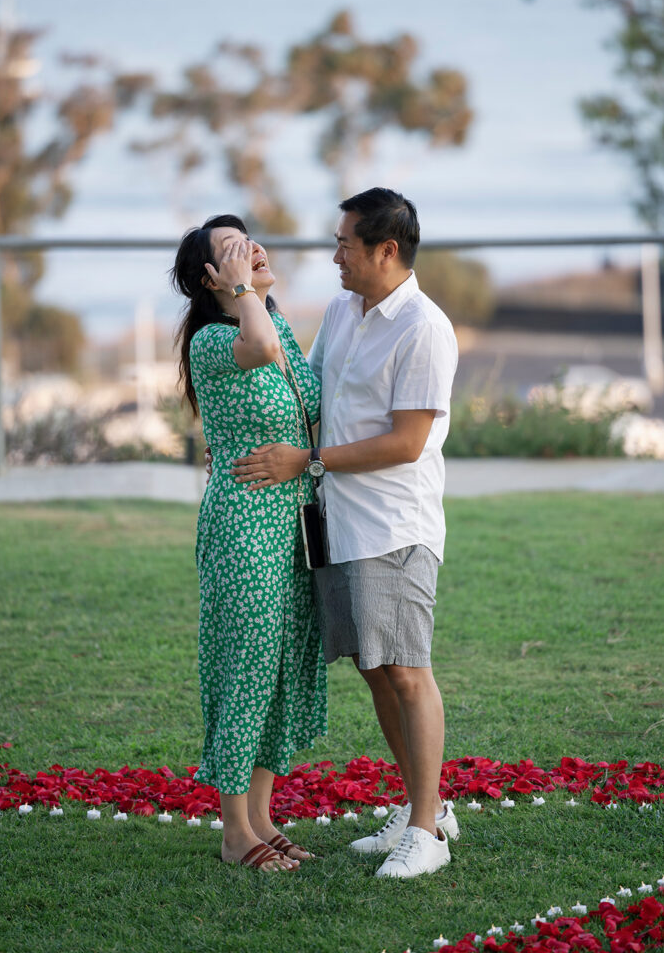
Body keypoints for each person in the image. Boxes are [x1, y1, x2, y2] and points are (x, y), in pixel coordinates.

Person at [232, 188, 459, 878]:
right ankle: (429, 806)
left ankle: (426, 831)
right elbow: (307, 390)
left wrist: (310, 460)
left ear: (385, 250)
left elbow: (407, 441)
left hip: (394, 524)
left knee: (407, 672)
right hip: (338, 523)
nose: (333, 255)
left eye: (344, 244)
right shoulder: (340, 309)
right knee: (374, 668)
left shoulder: (423, 326)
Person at [170, 215, 327, 873]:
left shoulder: (276, 322)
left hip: (294, 522)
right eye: (232, 250)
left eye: (251, 240)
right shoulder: (213, 339)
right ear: (211, 278)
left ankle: (261, 816)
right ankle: (235, 831)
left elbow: (310, 406)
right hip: (243, 527)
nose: (253, 251)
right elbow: (259, 351)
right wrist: (245, 293)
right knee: (247, 669)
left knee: (286, 667)